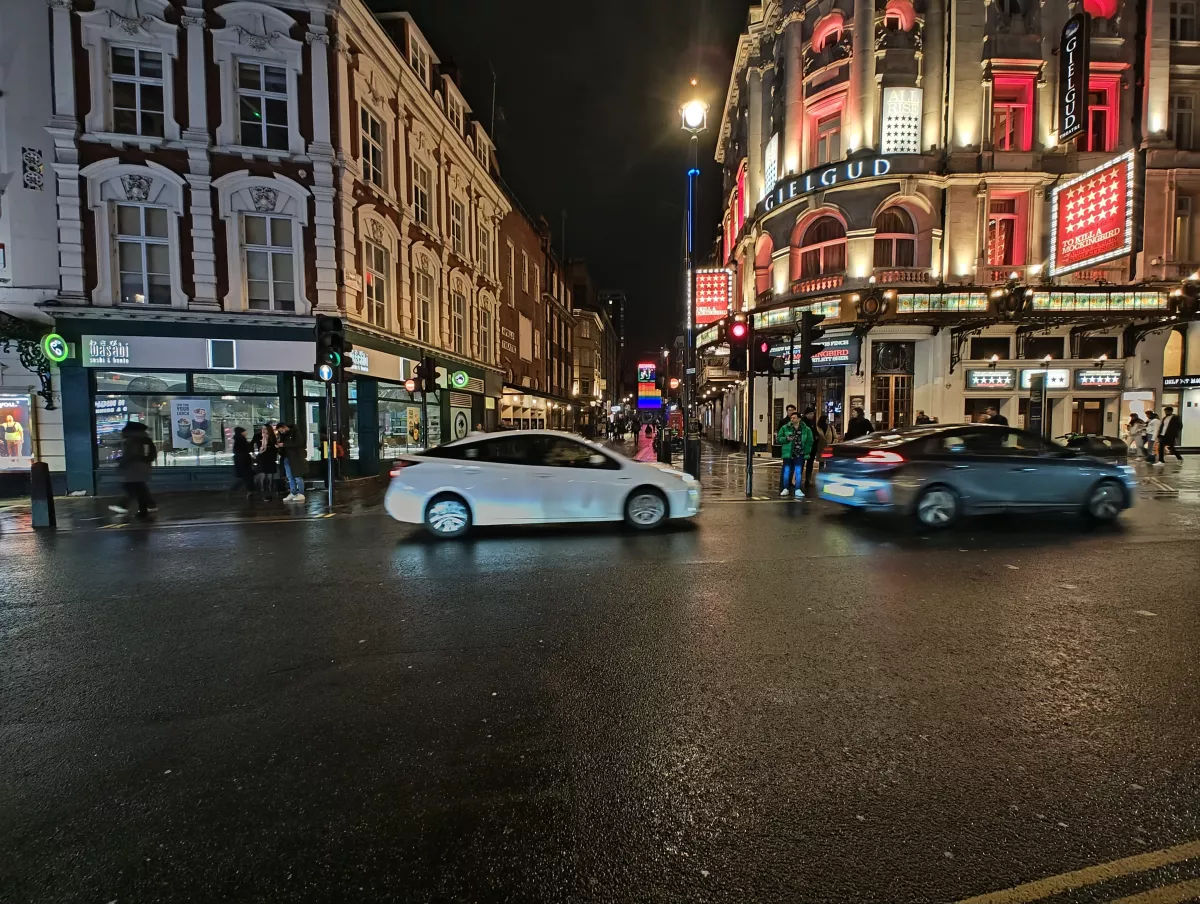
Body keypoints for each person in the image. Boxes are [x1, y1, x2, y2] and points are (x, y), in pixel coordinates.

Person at [109, 421, 156, 517]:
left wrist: (122, 463)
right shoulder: (146, 440)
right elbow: (152, 454)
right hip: (144, 467)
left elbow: (130, 454)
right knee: (140, 487)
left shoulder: (131, 440)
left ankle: (124, 506)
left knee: (131, 487)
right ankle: (149, 506)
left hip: (133, 468)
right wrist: (145, 460)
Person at [776, 412, 808, 497]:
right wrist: (786, 439)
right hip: (788, 452)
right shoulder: (785, 427)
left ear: (799, 419)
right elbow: (778, 439)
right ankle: (785, 488)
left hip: (799, 453)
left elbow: (809, 440)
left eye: (794, 418)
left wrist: (806, 451)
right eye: (791, 418)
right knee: (786, 471)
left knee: (798, 472)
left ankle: (798, 489)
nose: (792, 419)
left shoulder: (805, 429)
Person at [278, 423, 307, 502]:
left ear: (285, 427)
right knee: (290, 476)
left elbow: (298, 443)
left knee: (297, 476)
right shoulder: (284, 436)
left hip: (295, 458)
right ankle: (293, 492)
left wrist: (284, 444)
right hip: (287, 457)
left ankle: (301, 493)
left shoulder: (296, 432)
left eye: (282, 430)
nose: (281, 432)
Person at [254, 423, 279, 499]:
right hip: (262, 459)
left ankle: (270, 492)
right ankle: (264, 493)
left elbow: (275, 449)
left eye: (265, 429)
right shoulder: (258, 436)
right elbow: (253, 446)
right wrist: (256, 452)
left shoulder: (273, 437)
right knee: (263, 476)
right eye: (262, 428)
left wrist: (274, 447)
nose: (263, 430)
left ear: (269, 430)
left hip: (270, 458)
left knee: (270, 477)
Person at [801, 407, 824, 490]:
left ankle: (808, 479)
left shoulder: (813, 422)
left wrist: (817, 437)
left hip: (813, 446)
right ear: (806, 414)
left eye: (813, 413)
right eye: (811, 413)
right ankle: (799, 479)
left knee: (810, 463)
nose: (812, 415)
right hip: (805, 446)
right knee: (801, 463)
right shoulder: (803, 422)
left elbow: (815, 432)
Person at [231, 426, 255, 494]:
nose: (246, 433)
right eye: (244, 431)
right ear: (241, 432)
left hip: (241, 460)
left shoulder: (238, 440)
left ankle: (249, 490)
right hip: (244, 461)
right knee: (246, 477)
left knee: (245, 476)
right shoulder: (241, 440)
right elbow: (247, 449)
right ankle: (249, 490)